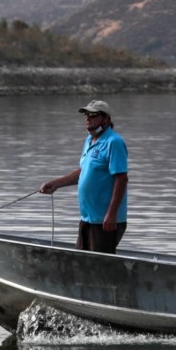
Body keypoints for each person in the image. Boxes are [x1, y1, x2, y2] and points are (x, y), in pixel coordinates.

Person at [40, 100, 128, 254]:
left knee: (99, 267)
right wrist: (56, 184)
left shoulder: (114, 142)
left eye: (93, 115)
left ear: (106, 119)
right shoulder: (89, 141)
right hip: (87, 218)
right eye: (86, 115)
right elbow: (84, 172)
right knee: (81, 262)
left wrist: (111, 213)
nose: (88, 119)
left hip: (104, 220)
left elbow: (121, 179)